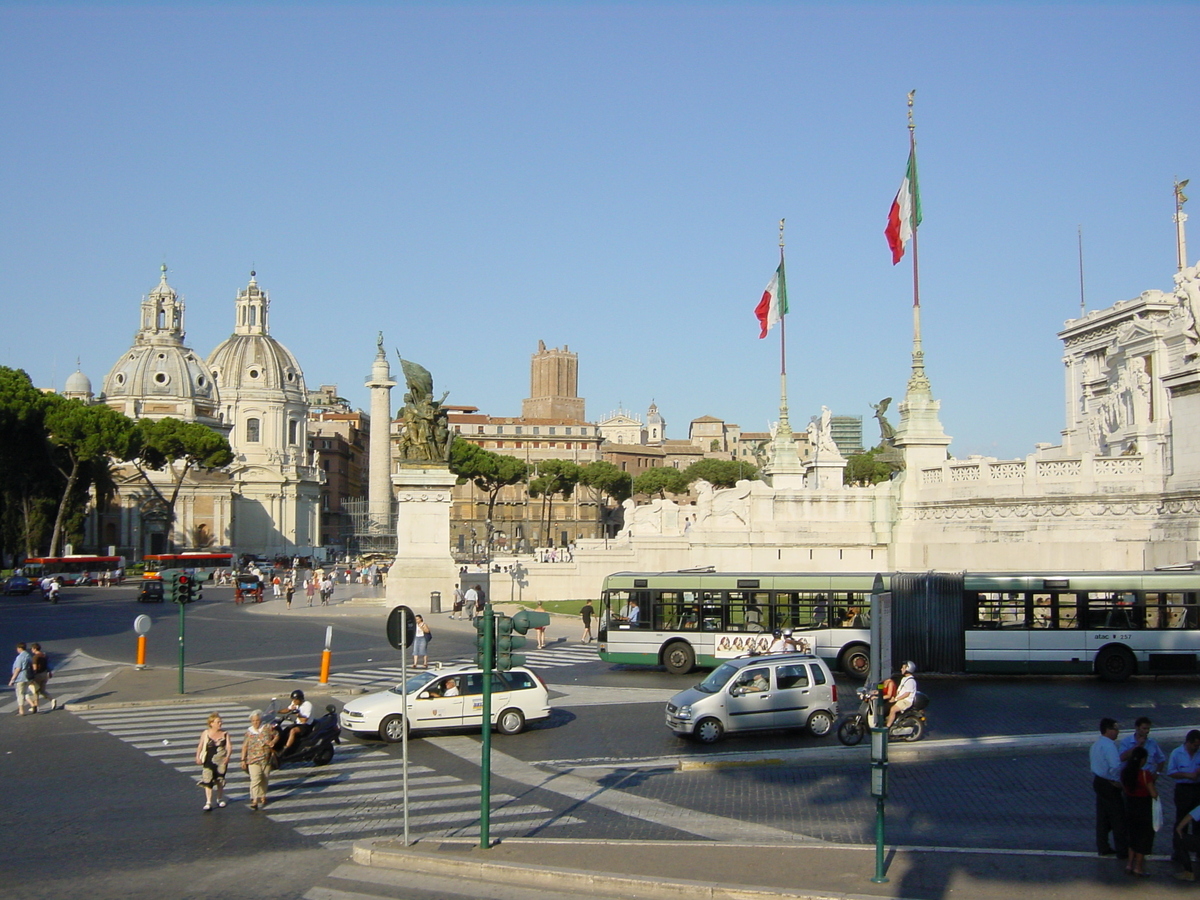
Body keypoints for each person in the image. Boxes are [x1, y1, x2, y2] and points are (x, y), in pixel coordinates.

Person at [1092, 717, 1129, 858]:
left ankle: (1103, 846)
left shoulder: (1096, 745)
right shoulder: (1109, 746)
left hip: (1098, 781)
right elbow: (1115, 766)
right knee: (1118, 817)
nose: (1117, 731)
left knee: (1102, 817)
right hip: (1109, 783)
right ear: (1108, 730)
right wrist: (1116, 781)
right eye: (1115, 728)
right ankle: (1122, 850)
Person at [1121, 745, 1158, 875]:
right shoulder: (1145, 774)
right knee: (1143, 839)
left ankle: (1129, 865)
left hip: (1130, 808)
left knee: (1133, 837)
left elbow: (1125, 790)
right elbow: (1153, 794)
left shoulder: (1125, 773)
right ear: (1142, 760)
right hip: (1144, 809)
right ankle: (1139, 867)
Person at [1169, 731, 1200, 864]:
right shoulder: (1177, 753)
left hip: (1198, 788)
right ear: (1188, 742)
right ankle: (1179, 850)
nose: (1196, 748)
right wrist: (1187, 775)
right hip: (1183, 789)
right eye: (1194, 745)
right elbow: (1171, 772)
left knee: (1198, 822)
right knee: (1181, 819)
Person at [240, 710, 276, 810]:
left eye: (257, 720)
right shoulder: (249, 732)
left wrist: (273, 742)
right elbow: (244, 746)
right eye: (253, 721)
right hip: (253, 759)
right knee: (255, 779)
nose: (255, 722)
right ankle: (254, 799)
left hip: (266, 758)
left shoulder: (267, 728)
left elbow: (277, 735)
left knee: (264, 778)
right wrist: (242, 760)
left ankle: (263, 795)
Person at [195, 712, 232, 811]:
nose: (220, 723)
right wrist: (197, 757)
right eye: (218, 722)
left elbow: (228, 746)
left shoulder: (225, 733)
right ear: (211, 723)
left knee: (220, 780)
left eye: (221, 722)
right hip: (208, 760)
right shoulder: (206, 733)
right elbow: (200, 745)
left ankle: (219, 799)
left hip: (221, 761)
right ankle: (208, 802)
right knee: (208, 780)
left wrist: (228, 756)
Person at [277, 689, 314, 754]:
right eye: (293, 700)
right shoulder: (295, 703)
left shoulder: (307, 705)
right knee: (286, 730)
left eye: (295, 700)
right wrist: (277, 711)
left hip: (306, 725)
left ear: (300, 699)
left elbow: (304, 720)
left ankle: (285, 749)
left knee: (293, 731)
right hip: (298, 723)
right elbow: (288, 709)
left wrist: (298, 714)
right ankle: (279, 746)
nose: (293, 701)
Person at [885, 660, 918, 727]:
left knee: (893, 709)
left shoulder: (911, 681)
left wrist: (896, 699)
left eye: (903, 668)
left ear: (908, 669)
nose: (901, 669)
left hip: (906, 701)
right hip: (900, 699)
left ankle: (887, 728)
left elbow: (907, 694)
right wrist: (894, 697)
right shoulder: (904, 679)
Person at [8, 642, 35, 715]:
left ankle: (21, 711)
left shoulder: (20, 657)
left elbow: (18, 669)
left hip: (20, 678)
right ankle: (32, 704)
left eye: (17, 648)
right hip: (28, 677)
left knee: (20, 694)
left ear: (20, 648)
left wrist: (12, 679)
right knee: (25, 692)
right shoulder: (28, 656)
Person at [29, 642, 53, 712]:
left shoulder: (35, 657)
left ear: (35, 649)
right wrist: (50, 672)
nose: (31, 650)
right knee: (42, 691)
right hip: (45, 674)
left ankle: (36, 706)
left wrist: (32, 676)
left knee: (35, 691)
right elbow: (48, 665)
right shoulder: (44, 655)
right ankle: (52, 700)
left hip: (38, 675)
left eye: (32, 649)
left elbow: (35, 668)